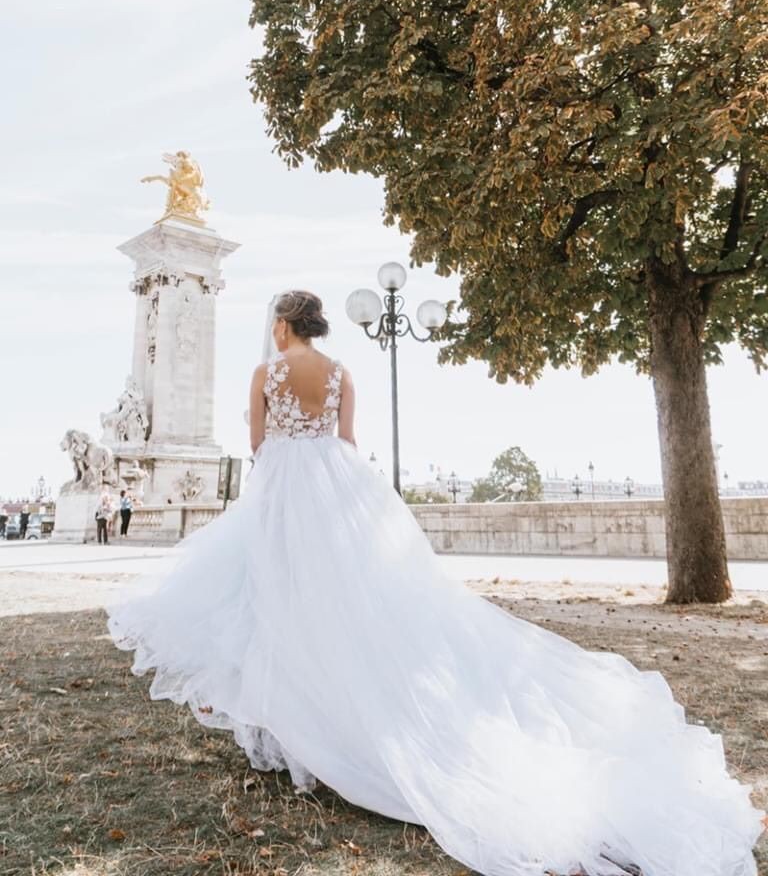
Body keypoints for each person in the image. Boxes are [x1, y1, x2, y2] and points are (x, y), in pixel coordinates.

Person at [106, 290, 765, 876]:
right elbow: (347, 437)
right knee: (351, 599)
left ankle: (294, 725)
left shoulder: (265, 373)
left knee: (280, 600)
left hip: (284, 491)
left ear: (283, 325)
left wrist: (283, 457)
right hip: (336, 488)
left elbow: (256, 443)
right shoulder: (338, 372)